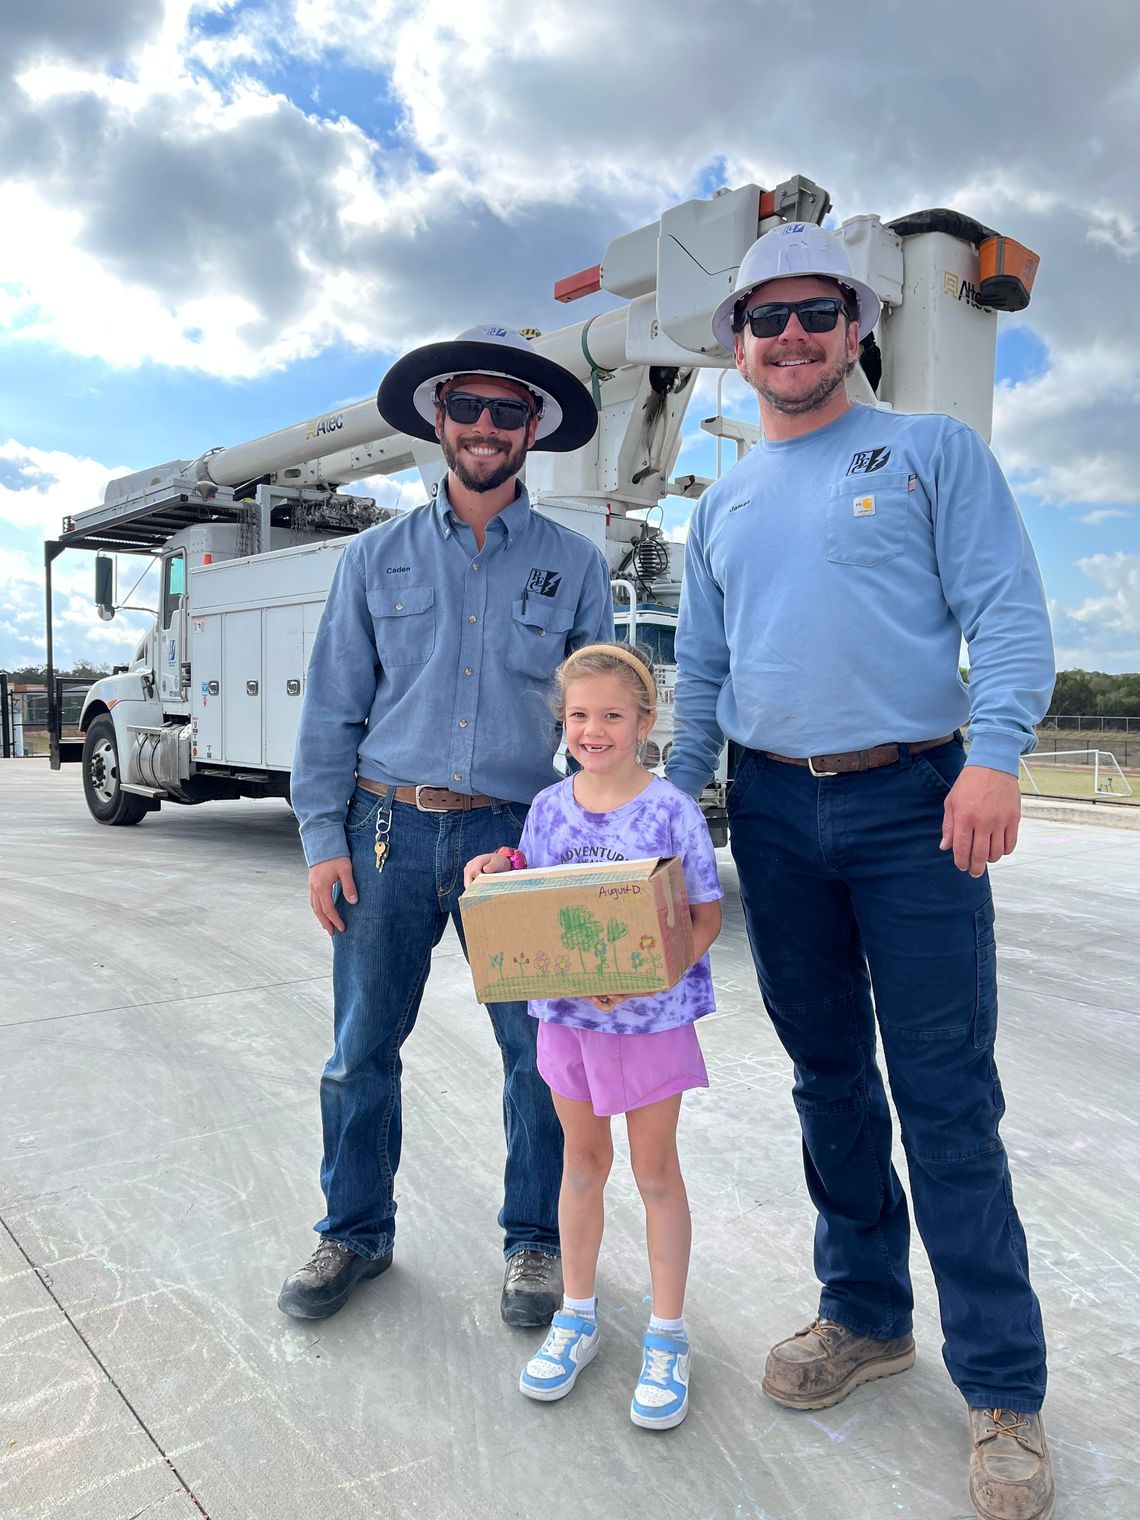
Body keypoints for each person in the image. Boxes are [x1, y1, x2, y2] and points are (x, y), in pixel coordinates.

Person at [667, 223, 1056, 1519]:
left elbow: (1003, 610)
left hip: (915, 801)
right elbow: (707, 681)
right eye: (765, 319)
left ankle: (1001, 1389)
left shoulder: (932, 453)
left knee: (947, 1098)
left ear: (859, 324)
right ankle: (865, 1317)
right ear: (737, 346)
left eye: (815, 312)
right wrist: (671, 819)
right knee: (830, 1079)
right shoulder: (720, 506)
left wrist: (993, 756)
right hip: (775, 811)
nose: (790, 337)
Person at [280, 325, 613, 1329]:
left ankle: (536, 1246)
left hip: (515, 840)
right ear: (438, 419)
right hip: (385, 828)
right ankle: (353, 1230)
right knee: (360, 1047)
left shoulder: (573, 565)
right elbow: (332, 708)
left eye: (506, 411)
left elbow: (601, 722)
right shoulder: (374, 558)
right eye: (466, 407)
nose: (483, 426)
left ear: (532, 429)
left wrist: (595, 845)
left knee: (537, 1054)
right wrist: (322, 840)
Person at [465, 642, 723, 1429]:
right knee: (580, 1164)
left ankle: (667, 1335)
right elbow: (533, 885)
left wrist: (649, 971)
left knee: (654, 1173)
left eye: (612, 714)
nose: (594, 729)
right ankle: (577, 1313)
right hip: (568, 1019)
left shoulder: (671, 809)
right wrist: (496, 866)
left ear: (645, 721)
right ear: (563, 722)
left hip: (647, 1022)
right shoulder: (548, 807)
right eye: (580, 715)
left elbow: (704, 914)